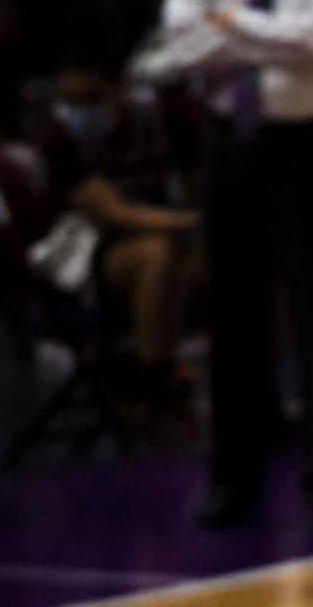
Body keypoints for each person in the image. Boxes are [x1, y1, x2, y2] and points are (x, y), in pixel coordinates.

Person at [152, 0, 313, 534]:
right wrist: (264, 35)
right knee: (233, 312)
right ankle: (233, 478)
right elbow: (181, 43)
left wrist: (228, 23)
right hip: (230, 137)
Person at [34, 48, 200, 401]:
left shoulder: (163, 117)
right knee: (157, 251)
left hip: (173, 237)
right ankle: (154, 377)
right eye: (69, 101)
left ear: (119, 88)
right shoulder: (59, 138)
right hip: (86, 258)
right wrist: (191, 220)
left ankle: (253, 389)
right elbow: (115, 214)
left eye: (90, 99)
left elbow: (199, 182)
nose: (79, 112)